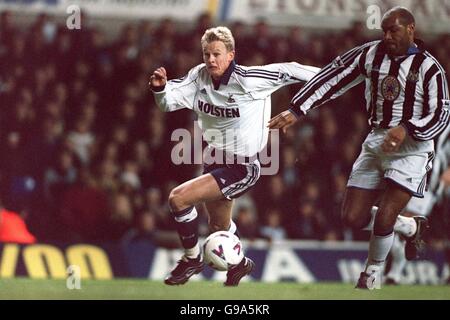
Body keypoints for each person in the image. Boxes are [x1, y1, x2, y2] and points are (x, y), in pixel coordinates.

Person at [268, 6, 449, 289]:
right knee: (352, 218)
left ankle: (371, 275)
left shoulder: (430, 68)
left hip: (412, 148)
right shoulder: (370, 54)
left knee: (386, 214)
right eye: (384, 30)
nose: (387, 36)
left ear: (411, 29)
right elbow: (332, 77)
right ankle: (411, 227)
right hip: (376, 140)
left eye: (394, 30)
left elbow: (440, 114)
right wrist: (297, 109)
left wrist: (407, 128)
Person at [150, 26, 319, 286]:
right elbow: (168, 103)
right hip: (214, 159)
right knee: (218, 226)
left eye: (217, 53)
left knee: (178, 199)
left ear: (231, 55)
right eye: (206, 54)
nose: (211, 60)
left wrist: (336, 77)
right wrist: (160, 90)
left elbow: (292, 69)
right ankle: (240, 265)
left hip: (242, 166)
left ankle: (191, 259)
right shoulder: (198, 77)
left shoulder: (250, 80)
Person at [385, 125, 450, 285]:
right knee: (403, 221)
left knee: (408, 222)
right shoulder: (421, 109)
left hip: (432, 180)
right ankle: (394, 274)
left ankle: (394, 274)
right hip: (416, 175)